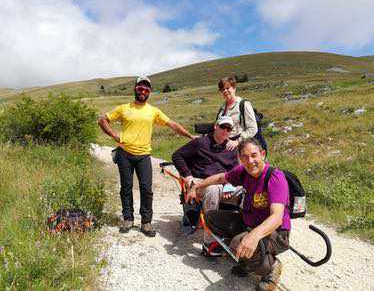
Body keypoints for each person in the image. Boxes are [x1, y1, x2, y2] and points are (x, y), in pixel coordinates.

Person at [187, 138, 290, 291]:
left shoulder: (275, 177)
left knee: (237, 244)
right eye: (245, 157)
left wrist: (253, 236)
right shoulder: (244, 172)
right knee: (211, 218)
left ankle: (271, 267)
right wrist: (196, 186)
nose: (250, 161)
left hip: (276, 232)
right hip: (249, 223)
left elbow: (276, 217)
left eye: (254, 155)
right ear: (240, 159)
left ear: (263, 154)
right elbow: (221, 177)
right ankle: (247, 259)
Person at [98, 76, 195, 237]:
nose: (143, 91)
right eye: (140, 88)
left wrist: (190, 136)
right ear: (135, 89)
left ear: (149, 92)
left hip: (144, 155)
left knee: (146, 189)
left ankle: (146, 222)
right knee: (126, 188)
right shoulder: (124, 108)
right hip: (124, 154)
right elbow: (102, 120)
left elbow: (173, 125)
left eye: (146, 89)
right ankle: (128, 219)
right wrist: (115, 137)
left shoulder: (153, 111)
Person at [172, 115, 241, 256]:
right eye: (223, 127)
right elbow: (177, 156)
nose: (225, 131)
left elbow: (235, 171)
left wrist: (230, 186)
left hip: (225, 184)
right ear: (216, 126)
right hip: (202, 183)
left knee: (247, 191)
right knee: (212, 190)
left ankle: (242, 234)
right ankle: (209, 242)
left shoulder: (231, 148)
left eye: (229, 129)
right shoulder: (200, 143)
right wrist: (187, 175)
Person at [216, 77, 258, 151]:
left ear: (234, 88)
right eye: (222, 89)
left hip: (239, 146)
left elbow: (253, 129)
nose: (225, 91)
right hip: (224, 145)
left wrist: (237, 141)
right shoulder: (222, 108)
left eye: (227, 88)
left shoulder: (243, 104)